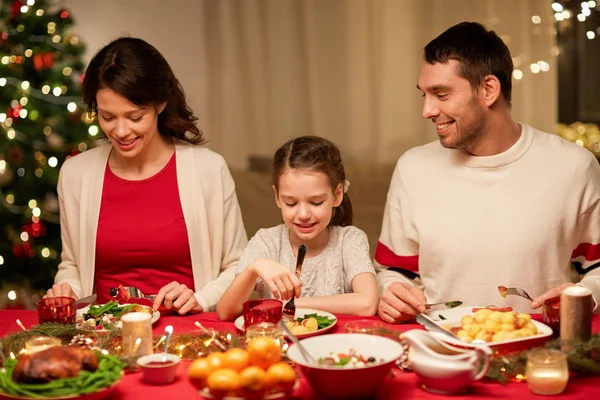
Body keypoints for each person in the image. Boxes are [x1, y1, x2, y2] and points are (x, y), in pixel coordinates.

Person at [375, 22, 600, 323]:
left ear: (488, 89)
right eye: (424, 95)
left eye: (441, 95)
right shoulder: (412, 168)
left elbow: (596, 268)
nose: (427, 111)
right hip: (443, 351)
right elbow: (394, 271)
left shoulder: (574, 166)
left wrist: (583, 297)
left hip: (538, 356)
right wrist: (392, 292)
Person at [45, 37, 248, 315]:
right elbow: (72, 266)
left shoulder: (209, 170)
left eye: (135, 117)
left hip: (186, 329)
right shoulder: (75, 174)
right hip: (103, 333)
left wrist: (200, 298)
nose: (121, 131)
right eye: (107, 117)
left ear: (160, 104)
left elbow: (239, 266)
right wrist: (67, 290)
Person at [217, 136, 379, 320]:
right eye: (291, 203)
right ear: (278, 198)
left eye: (316, 202)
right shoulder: (266, 242)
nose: (303, 214)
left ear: (337, 195)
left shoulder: (350, 240)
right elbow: (225, 312)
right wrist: (253, 269)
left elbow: (367, 304)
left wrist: (289, 304)